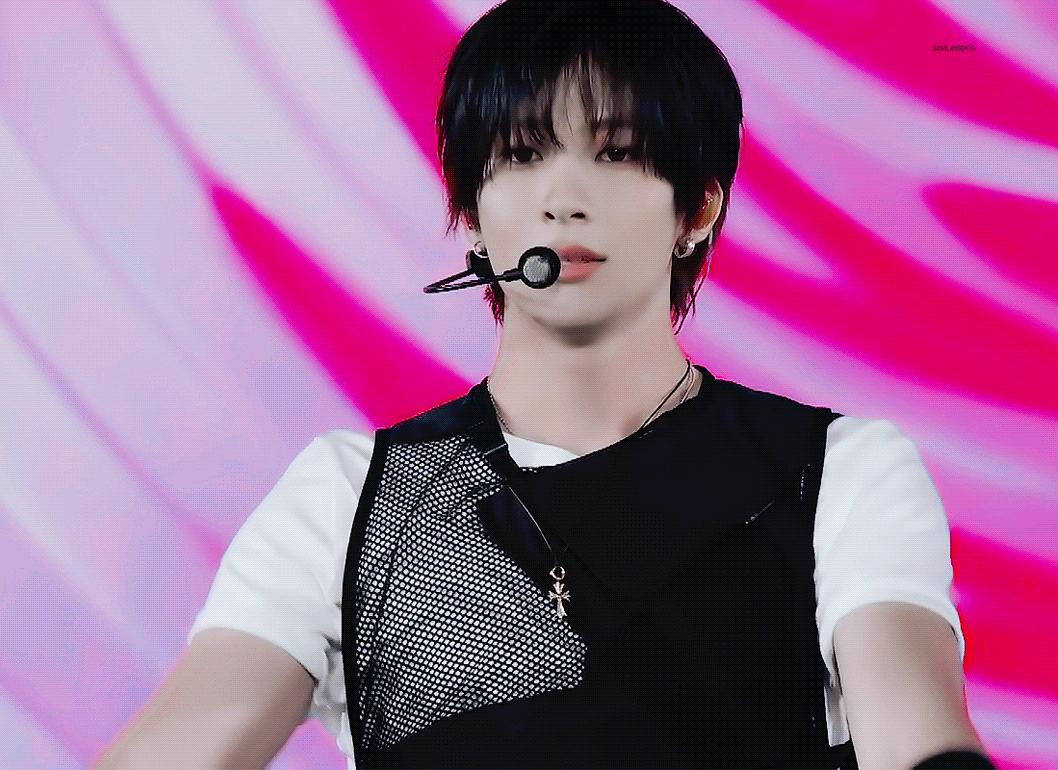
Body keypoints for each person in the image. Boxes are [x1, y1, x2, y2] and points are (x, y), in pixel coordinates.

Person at [95, 1, 995, 768]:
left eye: (617, 153)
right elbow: (187, 736)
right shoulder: (348, 497)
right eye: (524, 155)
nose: (564, 198)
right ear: (472, 216)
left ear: (697, 209)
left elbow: (910, 714)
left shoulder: (839, 470)